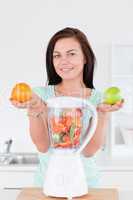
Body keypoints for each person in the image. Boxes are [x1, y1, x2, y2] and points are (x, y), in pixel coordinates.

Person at [10, 27, 123, 187]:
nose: (64, 61)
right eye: (57, 56)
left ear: (85, 57)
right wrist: (35, 107)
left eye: (71, 54)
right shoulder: (39, 95)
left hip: (86, 184)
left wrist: (102, 113)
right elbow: (43, 147)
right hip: (47, 184)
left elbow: (89, 152)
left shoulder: (98, 99)